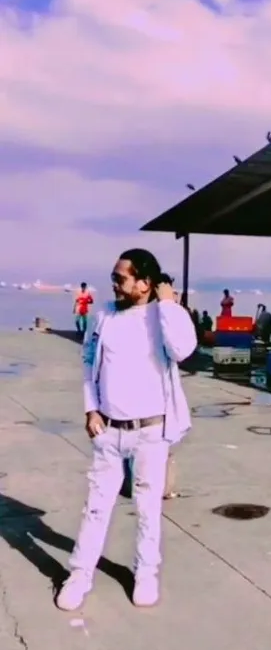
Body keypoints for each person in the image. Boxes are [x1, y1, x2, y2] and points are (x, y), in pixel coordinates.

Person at [56, 248, 197, 611]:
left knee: (148, 508)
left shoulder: (163, 315)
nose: (114, 285)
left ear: (144, 284)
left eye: (121, 279)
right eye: (114, 278)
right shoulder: (103, 316)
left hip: (151, 430)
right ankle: (79, 574)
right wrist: (91, 409)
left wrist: (167, 304)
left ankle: (146, 573)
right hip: (108, 430)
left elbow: (183, 350)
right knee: (96, 508)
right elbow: (89, 362)